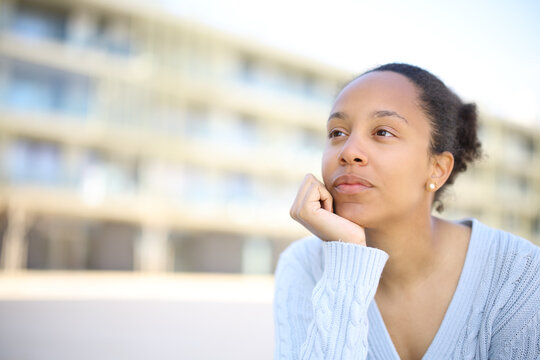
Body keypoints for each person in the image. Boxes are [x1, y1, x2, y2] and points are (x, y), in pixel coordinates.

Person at [273, 63, 540, 359]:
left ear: (437, 169)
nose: (349, 151)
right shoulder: (303, 267)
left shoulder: (519, 275)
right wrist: (346, 260)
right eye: (337, 132)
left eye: (383, 132)